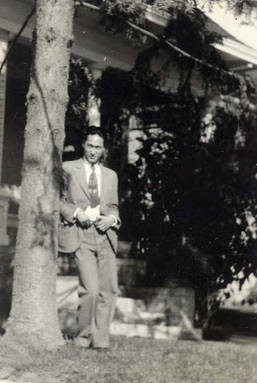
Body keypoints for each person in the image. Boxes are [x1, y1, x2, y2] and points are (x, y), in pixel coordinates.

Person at [59, 126, 120, 349]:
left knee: (108, 290)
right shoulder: (68, 169)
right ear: (83, 145)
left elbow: (113, 207)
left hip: (106, 235)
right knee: (91, 290)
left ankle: (101, 341)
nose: (94, 151)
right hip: (81, 234)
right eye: (90, 145)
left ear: (103, 150)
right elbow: (57, 200)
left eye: (98, 147)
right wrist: (76, 213)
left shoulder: (111, 176)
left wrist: (111, 220)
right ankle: (82, 338)